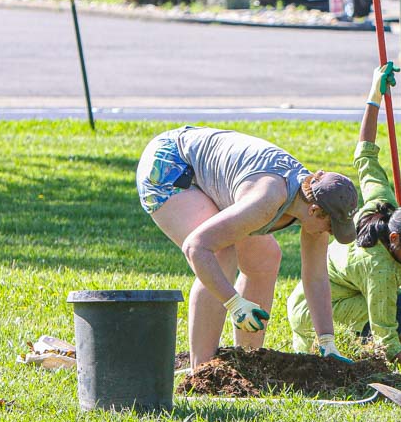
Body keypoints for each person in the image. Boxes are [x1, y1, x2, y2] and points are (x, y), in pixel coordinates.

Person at [136, 125, 359, 370]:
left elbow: (316, 277)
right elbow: (196, 247)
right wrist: (234, 303)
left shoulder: (313, 201)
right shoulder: (267, 198)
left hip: (210, 179)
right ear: (314, 211)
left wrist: (326, 340)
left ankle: (249, 363)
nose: (330, 232)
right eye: (331, 226)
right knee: (222, 253)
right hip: (170, 166)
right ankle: (202, 372)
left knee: (265, 259)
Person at [287, 63, 401, 368]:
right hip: (316, 311)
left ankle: (363, 333)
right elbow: (386, 335)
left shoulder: (381, 205)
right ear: (394, 237)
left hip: (337, 292)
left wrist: (375, 95)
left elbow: (365, 153)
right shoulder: (378, 267)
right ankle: (353, 346)